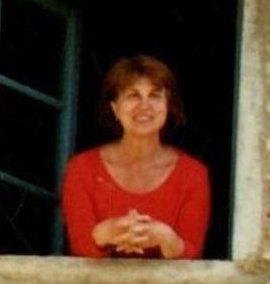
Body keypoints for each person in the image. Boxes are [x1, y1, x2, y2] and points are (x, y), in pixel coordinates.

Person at [60, 55, 211, 260]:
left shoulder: (193, 174)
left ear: (168, 106)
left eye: (155, 95)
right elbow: (80, 248)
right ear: (115, 109)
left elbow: (193, 254)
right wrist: (105, 233)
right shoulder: (82, 168)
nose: (144, 106)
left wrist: (167, 239)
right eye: (133, 95)